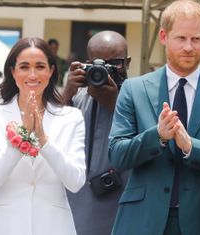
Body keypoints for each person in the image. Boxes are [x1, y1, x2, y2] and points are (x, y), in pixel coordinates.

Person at [109, 1, 200, 235]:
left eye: (195, 39)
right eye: (180, 38)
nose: (188, 47)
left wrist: (192, 146)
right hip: (142, 220)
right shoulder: (134, 89)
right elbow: (117, 156)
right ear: (163, 36)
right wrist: (157, 137)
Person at [0, 37, 86, 235]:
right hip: (3, 226)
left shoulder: (71, 117)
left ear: (51, 70)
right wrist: (23, 135)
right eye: (24, 67)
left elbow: (75, 181)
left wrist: (43, 139)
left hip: (54, 226)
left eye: (40, 66)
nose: (33, 75)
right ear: (13, 71)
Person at [62, 30, 130, 235]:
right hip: (77, 204)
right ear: (87, 64)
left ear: (128, 62)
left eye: (114, 64)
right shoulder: (78, 97)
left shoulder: (139, 95)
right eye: (99, 65)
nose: (106, 72)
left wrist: (114, 104)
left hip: (121, 202)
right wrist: (67, 93)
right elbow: (48, 135)